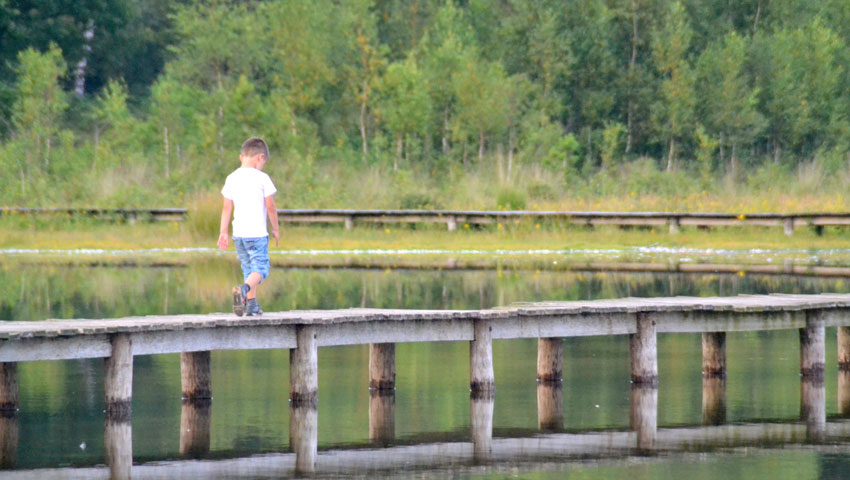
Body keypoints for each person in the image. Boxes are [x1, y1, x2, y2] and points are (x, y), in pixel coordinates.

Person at [217, 137, 280, 316]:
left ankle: (252, 304)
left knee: (248, 268)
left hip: (239, 235)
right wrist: (276, 228)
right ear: (260, 157)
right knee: (261, 269)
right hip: (257, 234)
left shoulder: (231, 178)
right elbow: (270, 207)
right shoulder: (262, 178)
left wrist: (223, 232)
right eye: (263, 163)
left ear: (241, 157)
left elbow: (226, 207)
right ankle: (243, 289)